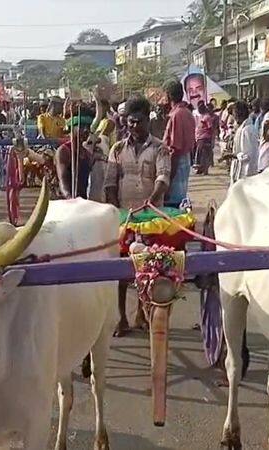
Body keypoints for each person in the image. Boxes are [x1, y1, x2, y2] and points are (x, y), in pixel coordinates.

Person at [103, 96, 171, 337]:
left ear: (147, 120)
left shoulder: (160, 148)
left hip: (152, 218)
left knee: (150, 270)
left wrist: (150, 201)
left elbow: (163, 179)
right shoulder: (117, 149)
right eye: (130, 122)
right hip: (125, 218)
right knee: (121, 273)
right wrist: (116, 212)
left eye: (138, 121)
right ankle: (121, 318)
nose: (133, 126)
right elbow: (110, 183)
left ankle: (143, 314)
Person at [162, 79, 196, 207]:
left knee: (172, 204)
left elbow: (175, 150)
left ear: (169, 95)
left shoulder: (177, 115)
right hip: (185, 162)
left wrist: (167, 182)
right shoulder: (187, 113)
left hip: (176, 164)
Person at [55, 114, 94, 200]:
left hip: (82, 200)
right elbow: (62, 180)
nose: (86, 130)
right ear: (72, 129)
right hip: (66, 200)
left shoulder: (87, 153)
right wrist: (70, 198)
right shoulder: (64, 151)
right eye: (82, 127)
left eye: (88, 127)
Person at [230, 101, 258, 181]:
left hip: (246, 172)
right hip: (240, 169)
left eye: (234, 113)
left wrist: (233, 155)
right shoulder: (241, 128)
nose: (233, 116)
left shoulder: (247, 130)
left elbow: (247, 154)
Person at [194, 101, 216, 175]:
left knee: (204, 154)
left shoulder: (207, 117)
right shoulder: (201, 116)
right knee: (201, 154)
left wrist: (212, 138)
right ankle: (201, 168)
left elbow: (210, 128)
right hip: (199, 137)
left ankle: (205, 169)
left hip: (205, 137)